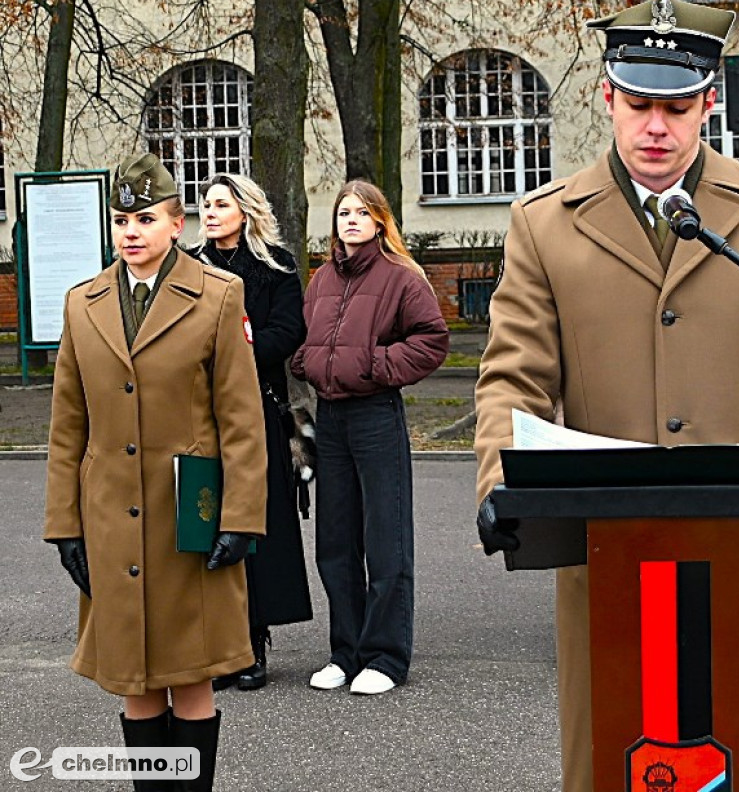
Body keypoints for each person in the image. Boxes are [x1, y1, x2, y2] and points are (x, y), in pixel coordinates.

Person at [474, 0, 739, 792]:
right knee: (621, 760)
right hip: (608, 554)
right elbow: (514, 375)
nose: (658, 126)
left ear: (709, 103)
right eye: (641, 103)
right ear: (607, 98)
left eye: (678, 107)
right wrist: (497, 479)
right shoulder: (545, 224)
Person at [43, 154, 267, 792]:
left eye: (145, 219)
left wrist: (242, 517)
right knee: (133, 682)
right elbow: (67, 427)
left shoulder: (218, 297)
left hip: (187, 519)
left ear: (177, 224)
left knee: (192, 675)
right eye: (120, 221)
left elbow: (242, 421)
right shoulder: (82, 305)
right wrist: (65, 525)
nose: (131, 232)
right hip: (110, 521)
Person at [291, 180, 448, 696]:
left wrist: (374, 365)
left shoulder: (402, 278)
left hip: (376, 414)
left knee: (386, 540)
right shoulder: (321, 280)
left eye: (362, 212)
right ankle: (345, 651)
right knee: (335, 542)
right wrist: (307, 363)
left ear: (380, 220)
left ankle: (384, 656)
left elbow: (431, 342)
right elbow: (303, 339)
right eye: (343, 212)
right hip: (331, 417)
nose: (351, 220)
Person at [191, 173, 312, 691]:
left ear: (245, 209)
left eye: (221, 203)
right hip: (194, 412)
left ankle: (252, 645)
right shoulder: (189, 267)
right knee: (201, 522)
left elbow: (288, 331)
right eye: (205, 205)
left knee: (252, 523)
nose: (210, 212)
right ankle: (215, 645)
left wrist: (233, 357)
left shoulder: (276, 267)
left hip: (256, 406)